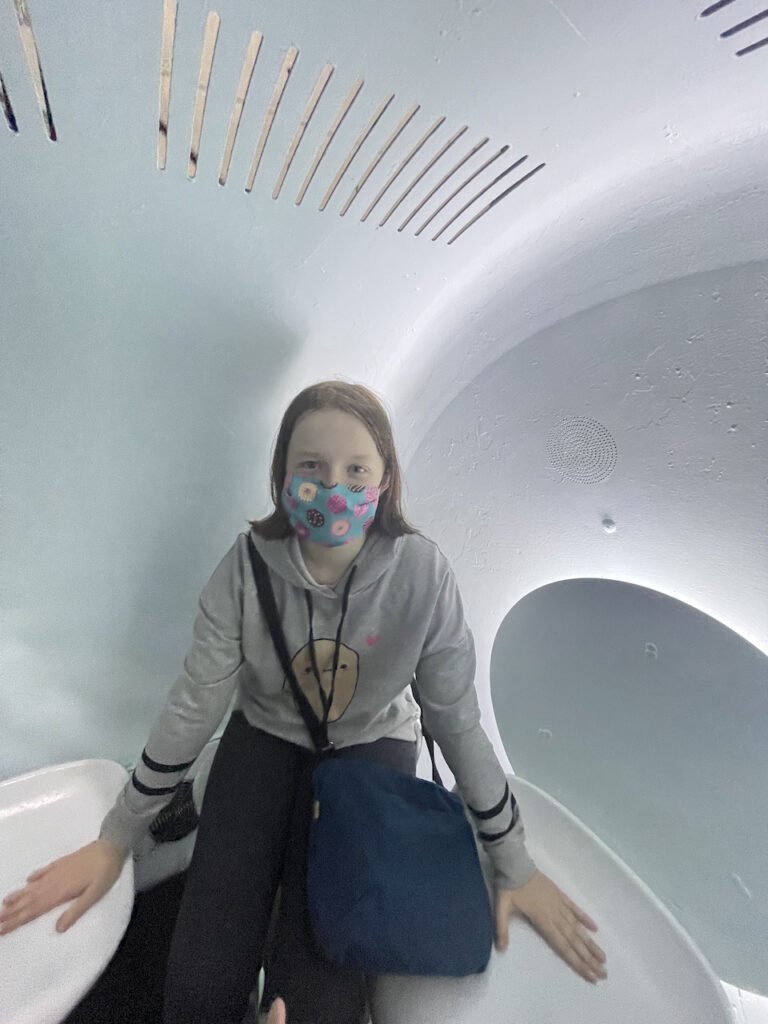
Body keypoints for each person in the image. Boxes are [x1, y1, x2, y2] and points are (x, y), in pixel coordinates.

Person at [0, 380, 607, 1023]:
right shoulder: (245, 569)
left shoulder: (423, 577)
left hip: (373, 743)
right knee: (199, 986)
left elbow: (457, 724)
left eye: (356, 470)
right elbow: (193, 708)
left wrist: (515, 864)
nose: (333, 487)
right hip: (264, 735)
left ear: (385, 480)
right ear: (281, 476)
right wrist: (116, 838)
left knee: (319, 999)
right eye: (311, 468)